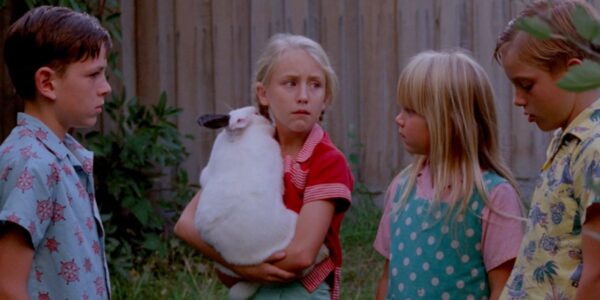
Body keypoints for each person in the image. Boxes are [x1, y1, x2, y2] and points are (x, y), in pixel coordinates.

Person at [174, 33, 354, 300]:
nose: (303, 96)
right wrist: (249, 270)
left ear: (326, 97)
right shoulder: (247, 144)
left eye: (315, 85)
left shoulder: (326, 161)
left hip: (302, 293)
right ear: (263, 94)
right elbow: (186, 224)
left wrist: (239, 268)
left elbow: (302, 255)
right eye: (290, 83)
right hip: (250, 289)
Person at [373, 50, 525, 300]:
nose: (398, 119)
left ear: (449, 121)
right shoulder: (401, 188)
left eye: (411, 110)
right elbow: (388, 276)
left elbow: (504, 287)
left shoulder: (493, 197)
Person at [0, 5, 112, 299]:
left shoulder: (62, 156)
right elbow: (6, 286)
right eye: (94, 75)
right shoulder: (32, 164)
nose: (106, 88)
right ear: (47, 83)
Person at [494, 0, 600, 299]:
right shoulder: (565, 140)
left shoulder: (595, 149)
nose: (517, 99)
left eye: (526, 85)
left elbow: (597, 277)